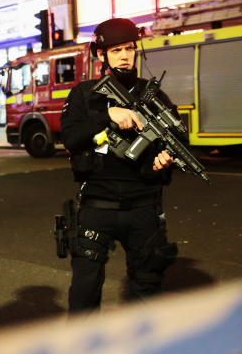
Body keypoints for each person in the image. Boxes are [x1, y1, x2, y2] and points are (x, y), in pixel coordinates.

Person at [60, 17, 179, 314]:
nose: (125, 56)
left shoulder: (152, 94)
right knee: (85, 291)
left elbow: (175, 138)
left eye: (129, 48)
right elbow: (71, 138)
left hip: (143, 207)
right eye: (115, 50)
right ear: (102, 55)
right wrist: (108, 115)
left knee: (146, 286)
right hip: (98, 206)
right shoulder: (84, 94)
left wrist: (166, 158)